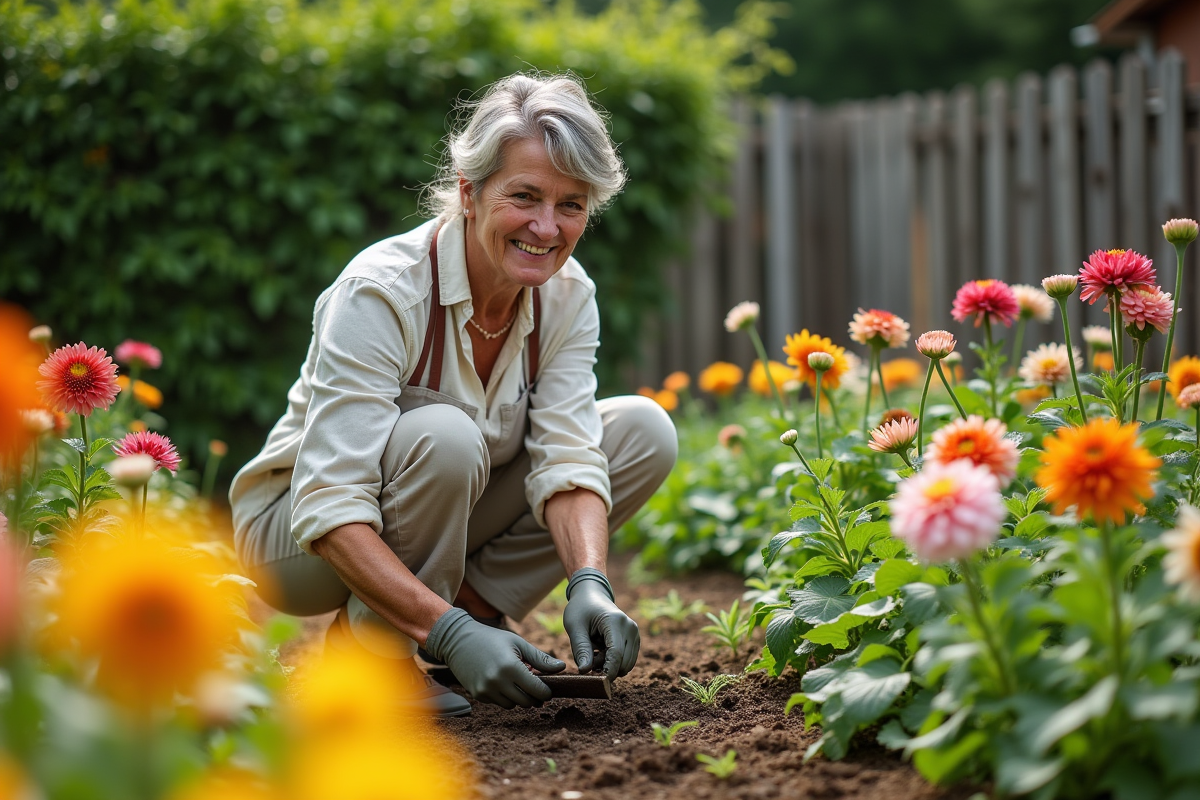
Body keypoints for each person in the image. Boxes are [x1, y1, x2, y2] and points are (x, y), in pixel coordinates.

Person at [229, 72, 677, 717]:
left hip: (437, 512)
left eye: (572, 205)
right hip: (296, 540)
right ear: (469, 192)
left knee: (641, 430)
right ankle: (377, 655)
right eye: (523, 196)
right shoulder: (383, 292)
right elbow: (329, 502)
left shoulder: (567, 294)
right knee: (445, 434)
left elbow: (569, 457)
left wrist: (591, 581)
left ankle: (465, 613)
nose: (546, 228)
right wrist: (450, 635)